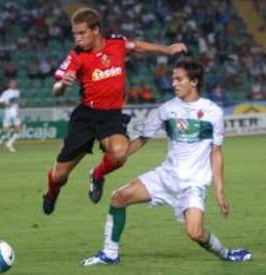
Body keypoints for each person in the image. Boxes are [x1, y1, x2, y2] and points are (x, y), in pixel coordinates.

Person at [81, 58, 252, 266]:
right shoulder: (166, 109)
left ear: (194, 82)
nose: (173, 83)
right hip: (165, 177)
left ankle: (226, 254)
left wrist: (219, 190)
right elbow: (142, 139)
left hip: (193, 183)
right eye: (173, 79)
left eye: (179, 79)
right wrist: (116, 157)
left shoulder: (212, 112)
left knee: (195, 233)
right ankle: (110, 254)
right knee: (118, 198)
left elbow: (216, 151)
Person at [42, 7, 188, 213]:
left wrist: (167, 49)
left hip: (110, 115)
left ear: (96, 30)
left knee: (120, 154)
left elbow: (137, 46)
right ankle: (51, 193)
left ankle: (97, 175)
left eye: (82, 33)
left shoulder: (116, 43)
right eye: (74, 34)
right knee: (59, 176)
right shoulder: (76, 56)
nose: (77, 38)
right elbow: (55, 90)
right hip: (86, 116)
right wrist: (63, 85)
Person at [0, 78, 22, 154]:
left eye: (15, 83)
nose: (14, 84)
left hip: (15, 113)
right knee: (6, 130)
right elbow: (0, 100)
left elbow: (16, 102)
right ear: (9, 84)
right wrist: (6, 104)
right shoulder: (6, 92)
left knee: (18, 129)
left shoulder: (18, 92)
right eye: (12, 83)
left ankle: (9, 143)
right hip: (8, 113)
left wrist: (21, 103)